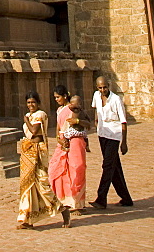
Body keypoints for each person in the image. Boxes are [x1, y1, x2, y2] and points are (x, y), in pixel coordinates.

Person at [17, 91, 70, 229]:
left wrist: (26, 121)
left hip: (38, 152)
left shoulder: (40, 115)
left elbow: (34, 131)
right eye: (28, 103)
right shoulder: (30, 115)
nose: (31, 105)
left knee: (42, 184)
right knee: (28, 186)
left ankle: (63, 209)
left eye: (33, 102)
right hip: (28, 151)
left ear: (38, 103)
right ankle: (27, 219)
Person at [90, 76, 133, 209]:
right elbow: (96, 110)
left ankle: (101, 198)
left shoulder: (116, 100)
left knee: (107, 166)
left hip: (114, 135)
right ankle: (126, 198)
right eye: (100, 88)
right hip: (102, 134)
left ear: (109, 86)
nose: (103, 90)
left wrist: (124, 142)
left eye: (105, 87)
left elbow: (123, 121)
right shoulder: (96, 96)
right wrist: (96, 122)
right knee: (114, 167)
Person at [48, 85, 89, 213]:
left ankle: (78, 203)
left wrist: (76, 120)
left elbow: (87, 123)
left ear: (65, 96)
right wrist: (59, 140)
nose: (56, 99)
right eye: (55, 97)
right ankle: (65, 200)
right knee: (58, 172)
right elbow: (58, 129)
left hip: (75, 142)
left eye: (58, 97)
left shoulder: (73, 108)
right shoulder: (60, 110)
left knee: (76, 170)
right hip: (62, 143)